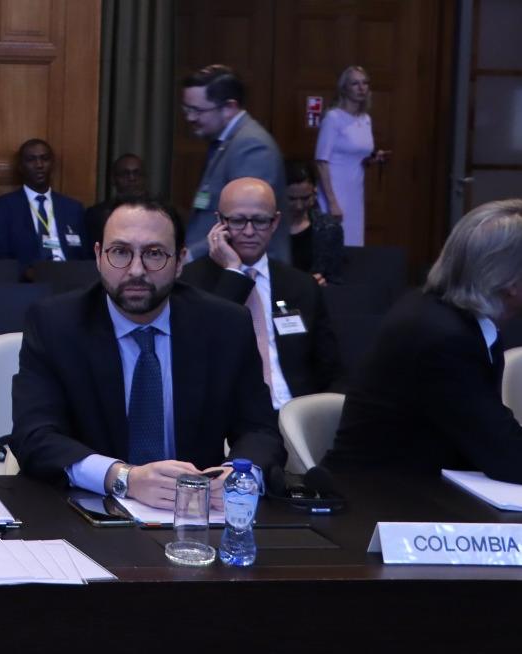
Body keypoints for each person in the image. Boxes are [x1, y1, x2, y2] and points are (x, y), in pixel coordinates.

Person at [10, 196, 284, 509]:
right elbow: (34, 436)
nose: (136, 270)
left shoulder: (225, 325)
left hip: (196, 516)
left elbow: (260, 430)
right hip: (86, 512)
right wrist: (124, 477)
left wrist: (237, 476)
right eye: (120, 252)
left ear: (180, 261)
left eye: (154, 254)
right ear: (99, 256)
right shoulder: (55, 324)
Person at [323, 199, 522, 482]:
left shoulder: (441, 311)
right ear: (509, 281)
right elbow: (507, 455)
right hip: (379, 505)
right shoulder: (442, 338)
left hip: (423, 493)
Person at [180, 178, 341, 408]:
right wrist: (233, 273)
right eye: (237, 220)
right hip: (227, 416)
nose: (248, 231)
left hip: (295, 413)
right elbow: (204, 352)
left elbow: (332, 369)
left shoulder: (301, 285)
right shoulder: (192, 281)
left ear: (275, 222)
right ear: (219, 223)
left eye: (259, 221)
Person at [181, 64, 287, 262]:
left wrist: (189, 257)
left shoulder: (252, 147)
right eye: (186, 109)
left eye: (197, 110)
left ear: (229, 107)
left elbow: (244, 227)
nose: (190, 118)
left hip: (247, 273)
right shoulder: (226, 142)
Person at [315, 65, 389, 247]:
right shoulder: (333, 118)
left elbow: (358, 154)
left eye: (365, 83)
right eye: (355, 83)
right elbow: (321, 161)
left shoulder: (365, 119)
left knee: (354, 242)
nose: (361, 88)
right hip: (335, 189)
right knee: (335, 242)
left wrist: (374, 157)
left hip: (355, 189)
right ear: (344, 88)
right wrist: (332, 202)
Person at [0, 138, 90, 270]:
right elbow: (2, 256)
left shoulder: (73, 208)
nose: (39, 165)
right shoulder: (2, 207)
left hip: (70, 277)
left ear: (52, 163)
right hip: (28, 281)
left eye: (45, 158)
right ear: (20, 166)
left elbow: (86, 255)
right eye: (31, 159)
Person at [283, 160, 345, 285]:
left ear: (315, 192)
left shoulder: (329, 228)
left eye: (305, 198)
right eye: (292, 199)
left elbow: (335, 279)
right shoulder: (265, 225)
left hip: (310, 297)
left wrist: (324, 283)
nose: (299, 206)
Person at [84, 153, 148, 241]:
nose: (132, 178)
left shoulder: (162, 214)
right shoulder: (96, 215)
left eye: (137, 173)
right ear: (113, 180)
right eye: (125, 174)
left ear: (144, 178)